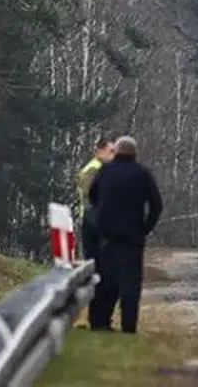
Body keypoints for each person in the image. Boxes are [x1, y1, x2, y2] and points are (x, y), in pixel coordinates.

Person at [88, 135, 162, 334]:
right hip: (133, 235)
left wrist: (101, 218)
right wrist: (145, 227)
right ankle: (129, 325)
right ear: (135, 153)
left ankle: (100, 321)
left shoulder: (105, 171)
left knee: (106, 280)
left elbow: (92, 196)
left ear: (117, 152)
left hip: (107, 235)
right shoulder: (143, 174)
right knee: (130, 283)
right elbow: (156, 205)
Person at [77, 137, 115, 260]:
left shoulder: (102, 168)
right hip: (94, 218)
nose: (113, 156)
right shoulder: (94, 169)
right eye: (111, 151)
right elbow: (91, 194)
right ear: (100, 151)